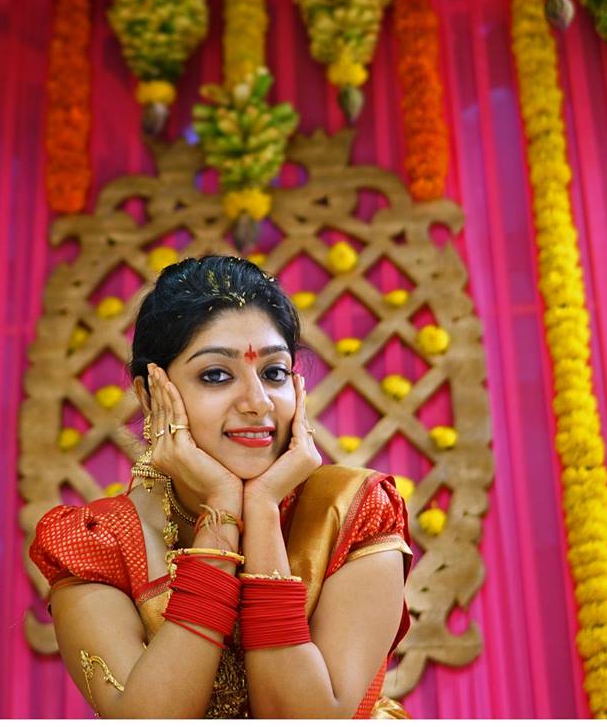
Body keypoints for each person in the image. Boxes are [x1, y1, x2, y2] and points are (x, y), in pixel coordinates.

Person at [29, 255, 413, 718]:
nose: (257, 403)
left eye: (274, 373)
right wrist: (221, 516)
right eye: (216, 375)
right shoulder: (96, 543)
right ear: (150, 396)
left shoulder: (355, 510)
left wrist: (265, 510)